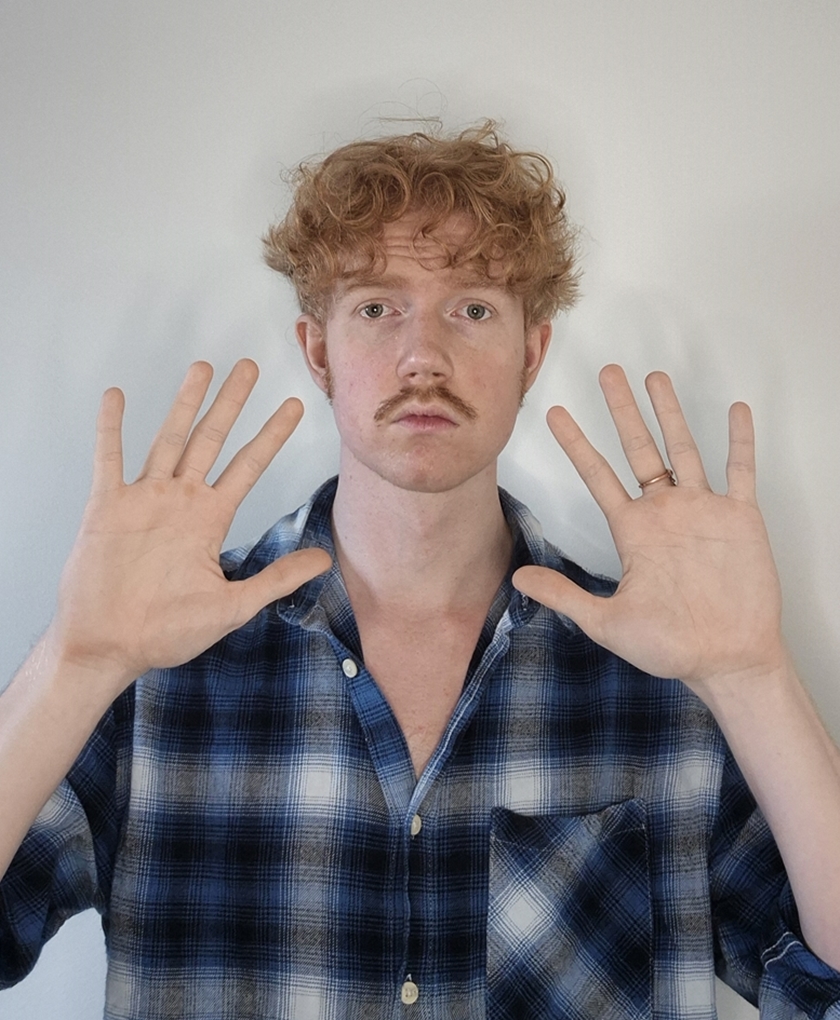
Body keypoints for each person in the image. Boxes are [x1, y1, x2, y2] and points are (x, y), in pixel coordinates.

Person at [1, 123, 839, 1019]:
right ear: (318, 350)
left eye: (472, 309)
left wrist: (753, 676)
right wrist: (77, 662)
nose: (424, 357)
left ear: (530, 353)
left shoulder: (665, 660)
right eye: (376, 308)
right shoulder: (155, 654)